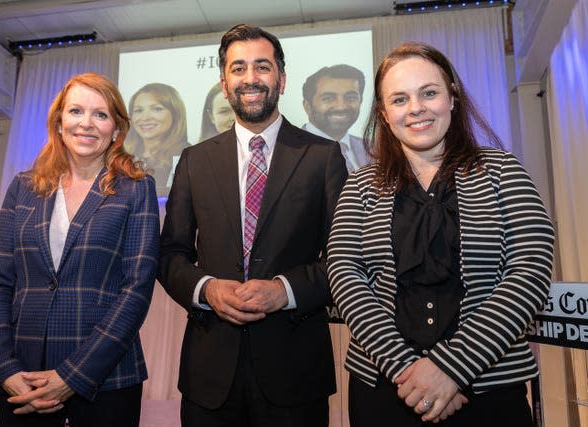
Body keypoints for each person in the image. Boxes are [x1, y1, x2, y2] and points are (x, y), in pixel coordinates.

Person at [327, 41, 555, 427]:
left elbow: (529, 270)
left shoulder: (503, 171)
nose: (416, 108)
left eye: (429, 93)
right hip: (386, 389)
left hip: (489, 386)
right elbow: (345, 274)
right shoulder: (361, 185)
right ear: (384, 113)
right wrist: (407, 371)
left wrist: (452, 369)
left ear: (452, 96)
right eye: (400, 99)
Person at [158, 24, 347, 427]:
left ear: (281, 78)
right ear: (224, 84)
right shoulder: (193, 160)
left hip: (295, 370)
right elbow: (171, 254)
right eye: (238, 68)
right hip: (209, 372)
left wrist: (286, 290)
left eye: (262, 67)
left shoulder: (323, 157)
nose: (250, 78)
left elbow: (344, 258)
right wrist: (206, 288)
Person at [0, 72, 160, 427]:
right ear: (59, 122)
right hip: (21, 380)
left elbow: (135, 291)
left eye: (101, 114)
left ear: (116, 130)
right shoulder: (23, 188)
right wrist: (3, 368)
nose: (86, 124)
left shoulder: (136, 189)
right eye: (76, 111)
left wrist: (72, 377)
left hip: (105, 382)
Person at [125, 82, 190, 196]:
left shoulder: (188, 156)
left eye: (157, 109)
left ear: (175, 114)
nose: (145, 118)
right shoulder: (122, 156)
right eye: (139, 111)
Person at [302, 64, 369, 172]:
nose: (341, 106)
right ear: (307, 106)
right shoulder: (288, 150)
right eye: (328, 98)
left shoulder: (374, 149)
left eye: (351, 97)